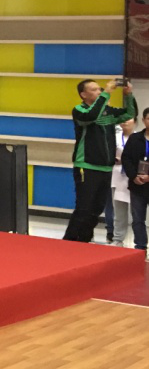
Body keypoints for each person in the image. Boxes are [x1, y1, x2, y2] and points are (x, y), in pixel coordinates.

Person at [64, 78, 136, 243]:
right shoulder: (80, 110)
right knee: (84, 207)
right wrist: (107, 92)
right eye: (94, 90)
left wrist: (128, 95)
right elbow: (91, 116)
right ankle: (69, 241)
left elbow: (129, 114)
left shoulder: (107, 112)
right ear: (83, 94)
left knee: (96, 209)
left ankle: (84, 240)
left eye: (100, 89)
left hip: (105, 168)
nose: (99, 91)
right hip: (86, 166)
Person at [119, 107, 149, 254]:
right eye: (148, 118)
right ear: (143, 120)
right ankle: (140, 247)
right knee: (138, 219)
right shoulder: (135, 138)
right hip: (137, 185)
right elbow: (126, 158)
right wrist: (133, 176)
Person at [106, 118, 134, 245]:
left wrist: (126, 161)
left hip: (134, 176)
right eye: (123, 119)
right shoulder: (114, 137)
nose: (125, 121)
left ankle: (139, 241)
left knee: (137, 211)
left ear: (135, 121)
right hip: (117, 176)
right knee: (118, 211)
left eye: (128, 119)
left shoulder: (138, 138)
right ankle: (117, 239)